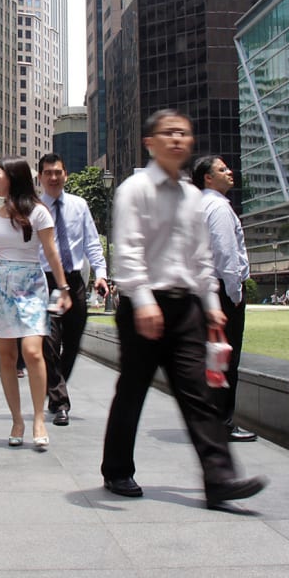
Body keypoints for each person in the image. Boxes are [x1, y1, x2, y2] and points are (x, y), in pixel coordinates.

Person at [101, 109, 266, 509]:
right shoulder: (134, 190)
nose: (177, 139)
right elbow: (127, 250)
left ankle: (219, 478)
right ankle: (117, 469)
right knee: (133, 389)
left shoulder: (194, 197)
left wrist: (210, 304)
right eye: (168, 133)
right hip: (144, 305)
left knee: (198, 393)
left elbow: (200, 257)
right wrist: (142, 301)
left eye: (184, 133)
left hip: (185, 307)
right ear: (150, 143)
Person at [0, 157, 72, 448]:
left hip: (30, 283)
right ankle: (17, 419)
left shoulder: (39, 213)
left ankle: (39, 417)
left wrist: (63, 288)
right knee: (6, 355)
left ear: (12, 178)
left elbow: (52, 253)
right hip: (1, 283)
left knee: (33, 351)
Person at [37, 153, 108, 427]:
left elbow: (91, 243)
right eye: (48, 173)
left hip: (74, 281)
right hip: (47, 283)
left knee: (74, 341)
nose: (53, 178)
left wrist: (101, 275)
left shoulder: (79, 205)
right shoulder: (34, 208)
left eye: (58, 172)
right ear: (40, 176)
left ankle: (54, 385)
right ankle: (60, 401)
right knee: (50, 341)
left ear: (65, 174)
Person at [192, 156, 257, 442]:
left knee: (213, 358)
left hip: (207, 288)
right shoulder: (218, 206)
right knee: (226, 358)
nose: (229, 172)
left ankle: (211, 420)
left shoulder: (200, 205)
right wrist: (235, 290)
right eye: (221, 169)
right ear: (207, 177)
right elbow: (225, 253)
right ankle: (223, 423)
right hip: (221, 289)